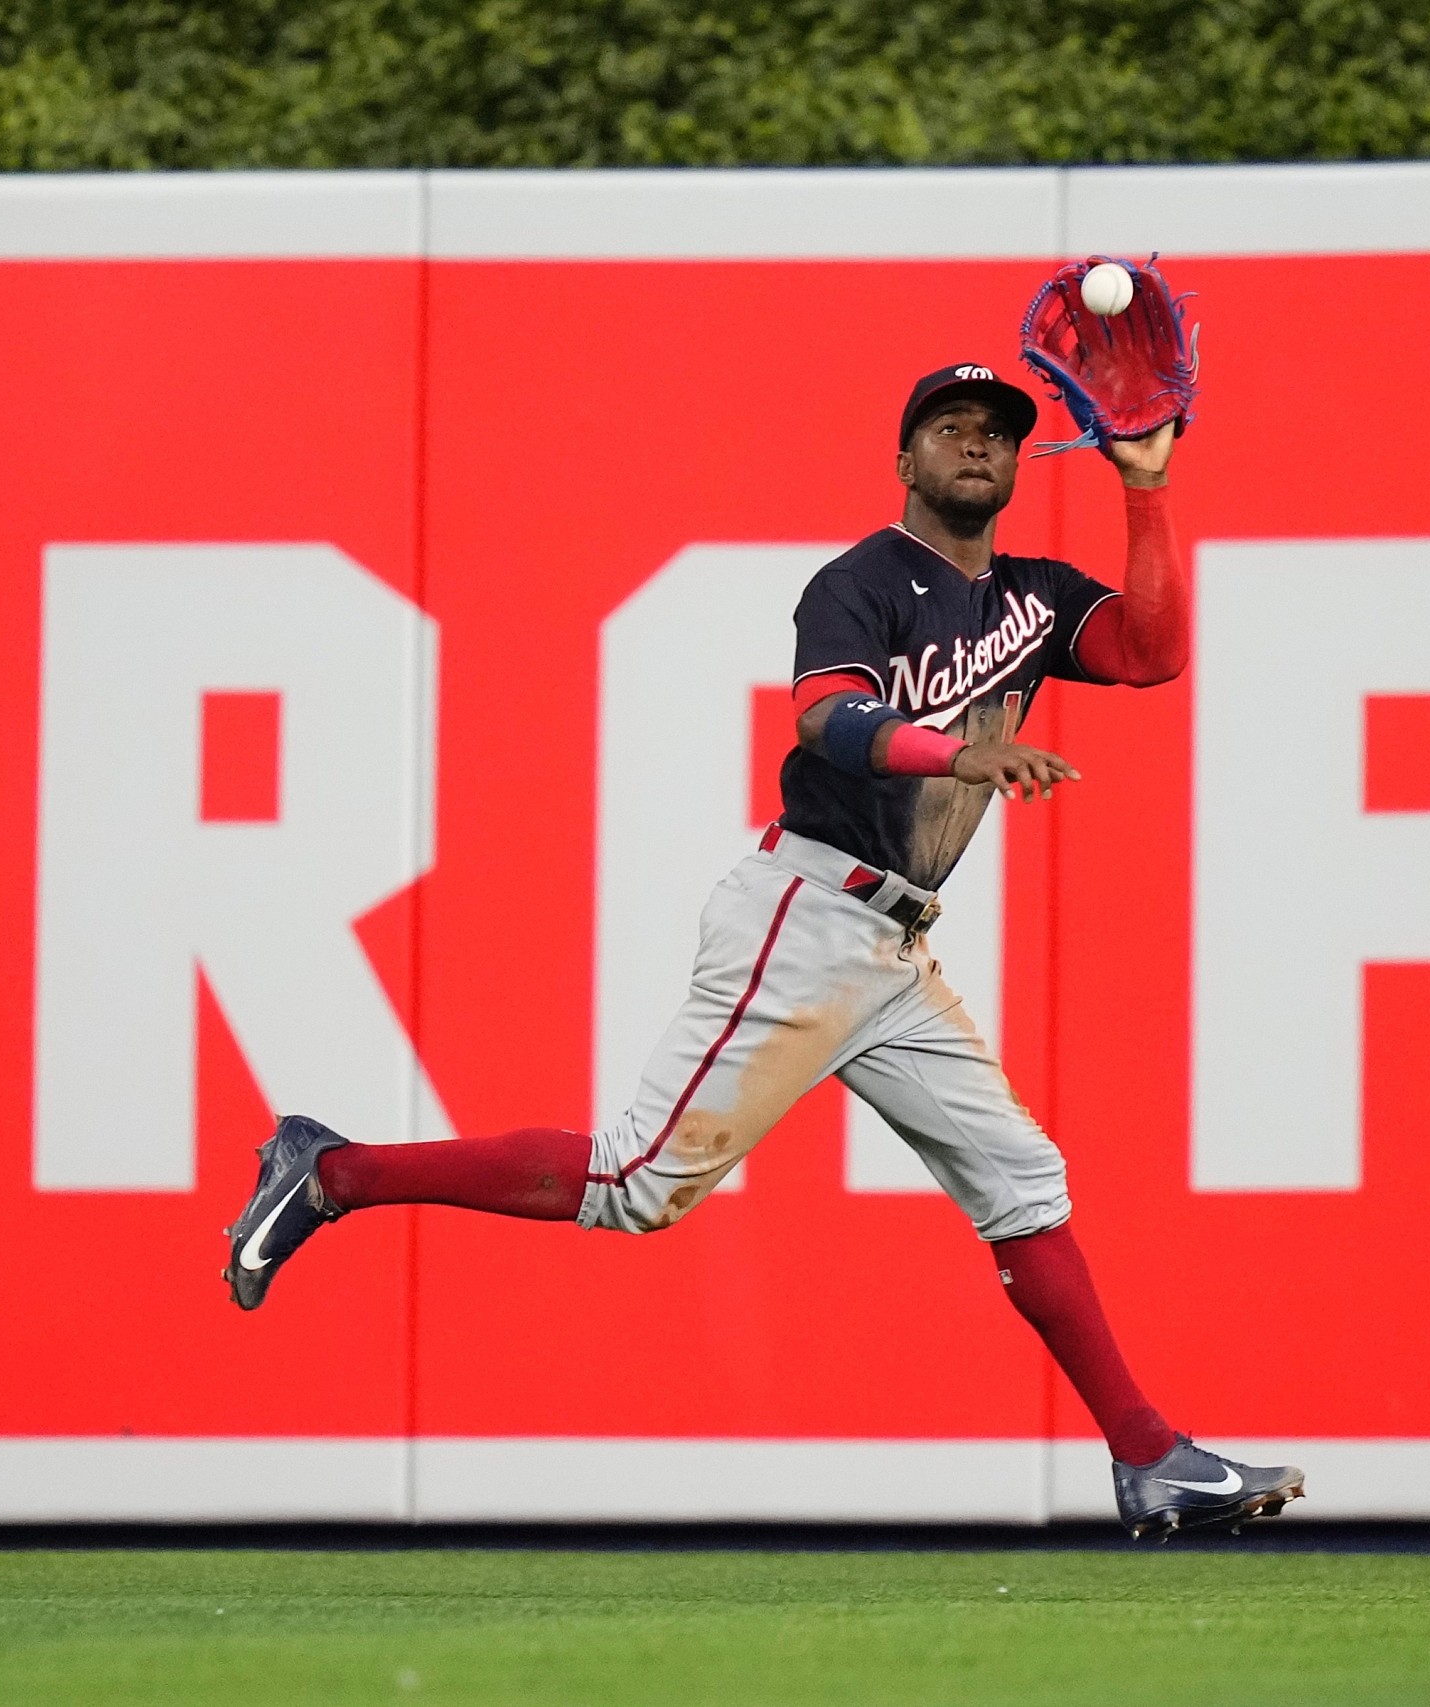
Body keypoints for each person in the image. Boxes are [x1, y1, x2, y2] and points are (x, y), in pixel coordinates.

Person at [223, 363, 1304, 1538]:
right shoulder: (857, 583)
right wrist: (956, 756)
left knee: (1024, 1187)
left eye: (996, 431)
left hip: (893, 949)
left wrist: (1145, 489)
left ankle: (1151, 1462)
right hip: (804, 914)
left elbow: (1148, 653)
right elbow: (827, 720)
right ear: (904, 461)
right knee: (638, 1187)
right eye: (948, 426)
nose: (975, 443)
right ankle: (331, 1173)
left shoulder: (1034, 598)